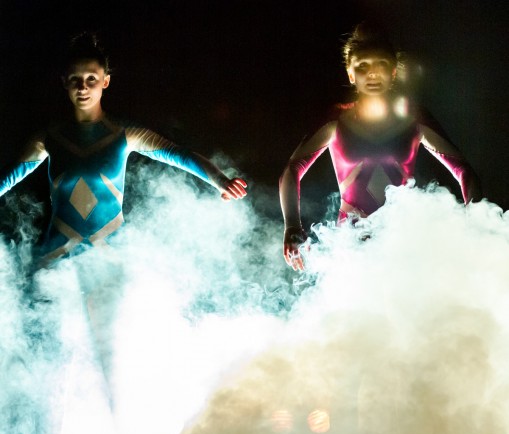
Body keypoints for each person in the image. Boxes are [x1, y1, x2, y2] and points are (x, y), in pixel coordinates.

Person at [0, 33, 247, 263]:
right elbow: (7, 179)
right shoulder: (49, 138)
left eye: (91, 79)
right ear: (64, 81)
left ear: (105, 81)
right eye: (75, 79)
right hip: (56, 260)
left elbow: (178, 155)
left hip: (111, 259)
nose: (83, 87)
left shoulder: (124, 134)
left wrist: (221, 181)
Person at [279, 22, 481, 271]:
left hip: (402, 243)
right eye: (362, 67)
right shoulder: (336, 120)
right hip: (350, 245)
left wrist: (477, 224)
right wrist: (292, 226)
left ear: (393, 72)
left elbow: (464, 170)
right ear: (350, 74)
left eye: (381, 65)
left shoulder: (413, 118)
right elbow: (291, 170)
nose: (372, 74)